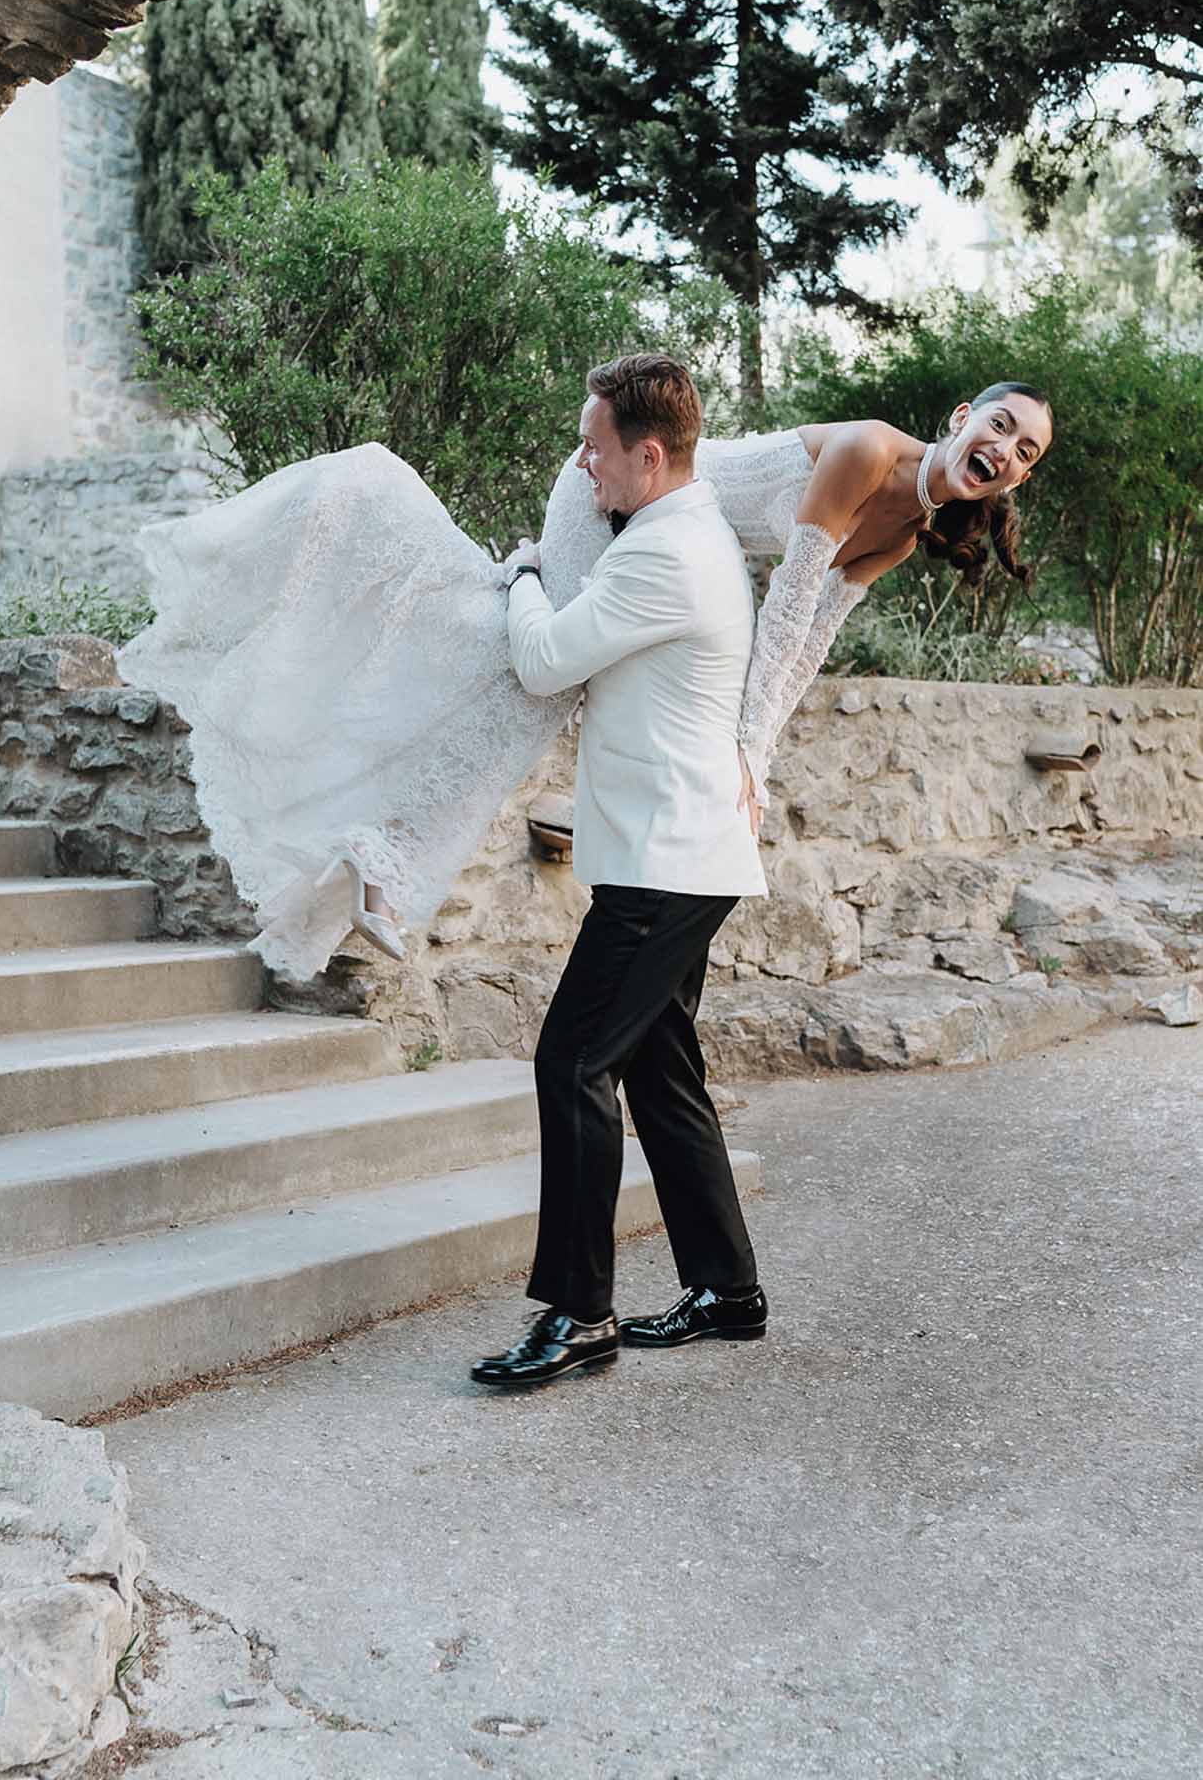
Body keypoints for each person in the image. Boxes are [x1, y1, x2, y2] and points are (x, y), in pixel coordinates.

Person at [118, 371, 1053, 987]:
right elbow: (785, 603)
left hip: (665, 540)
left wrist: (756, 767)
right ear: (962, 417)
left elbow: (806, 647)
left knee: (528, 668)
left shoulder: (906, 532)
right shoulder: (865, 454)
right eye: (1001, 426)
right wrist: (745, 747)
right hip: (614, 497)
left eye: (1026, 454)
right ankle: (383, 826)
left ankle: (378, 852)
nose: (1006, 452)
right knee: (543, 671)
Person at [470, 355, 767, 1388]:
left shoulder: (664, 556)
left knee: (572, 1062)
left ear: (649, 454)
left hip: (665, 864)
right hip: (682, 852)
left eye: (595, 448)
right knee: (656, 1066)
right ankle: (727, 1288)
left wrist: (520, 578)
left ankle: (578, 1311)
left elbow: (545, 658)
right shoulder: (688, 530)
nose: (583, 465)